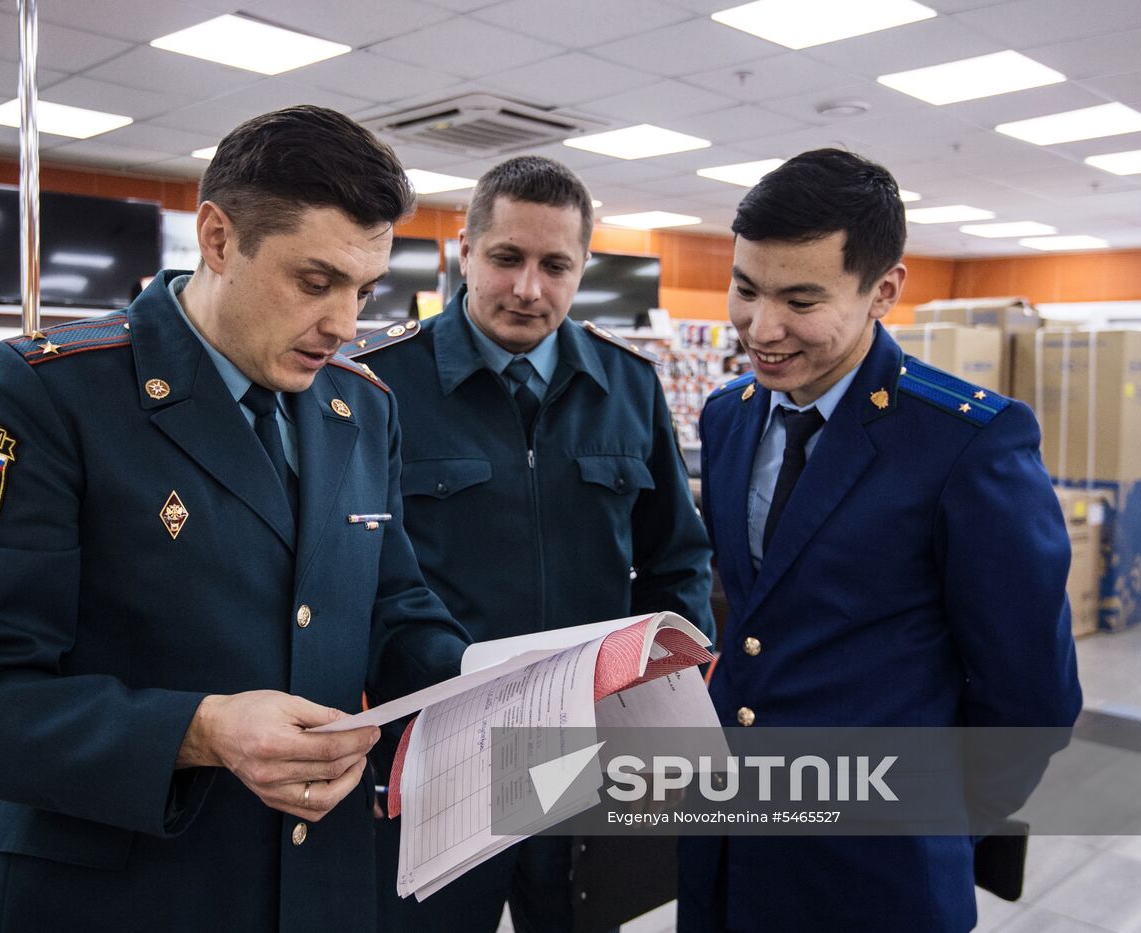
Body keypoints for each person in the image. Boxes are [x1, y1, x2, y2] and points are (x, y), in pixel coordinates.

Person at [0, 106, 471, 932]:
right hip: (121, 899)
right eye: (315, 282)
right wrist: (200, 730)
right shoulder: (49, 396)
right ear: (218, 238)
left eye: (363, 290)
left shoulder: (361, 406)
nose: (345, 325)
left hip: (323, 887)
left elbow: (392, 608)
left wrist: (497, 683)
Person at [682, 148, 1082, 932]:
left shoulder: (967, 444)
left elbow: (1031, 697)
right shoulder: (728, 415)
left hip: (875, 873)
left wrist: (932, 826)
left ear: (884, 291)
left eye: (800, 299)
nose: (762, 328)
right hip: (727, 847)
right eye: (746, 288)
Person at [345, 155, 714, 933]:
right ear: (465, 251)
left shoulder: (628, 384)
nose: (528, 289)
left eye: (555, 266)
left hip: (583, 750)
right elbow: (350, 579)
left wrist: (660, 698)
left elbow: (677, 559)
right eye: (506, 258)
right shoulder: (377, 384)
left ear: (583, 267)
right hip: (438, 753)